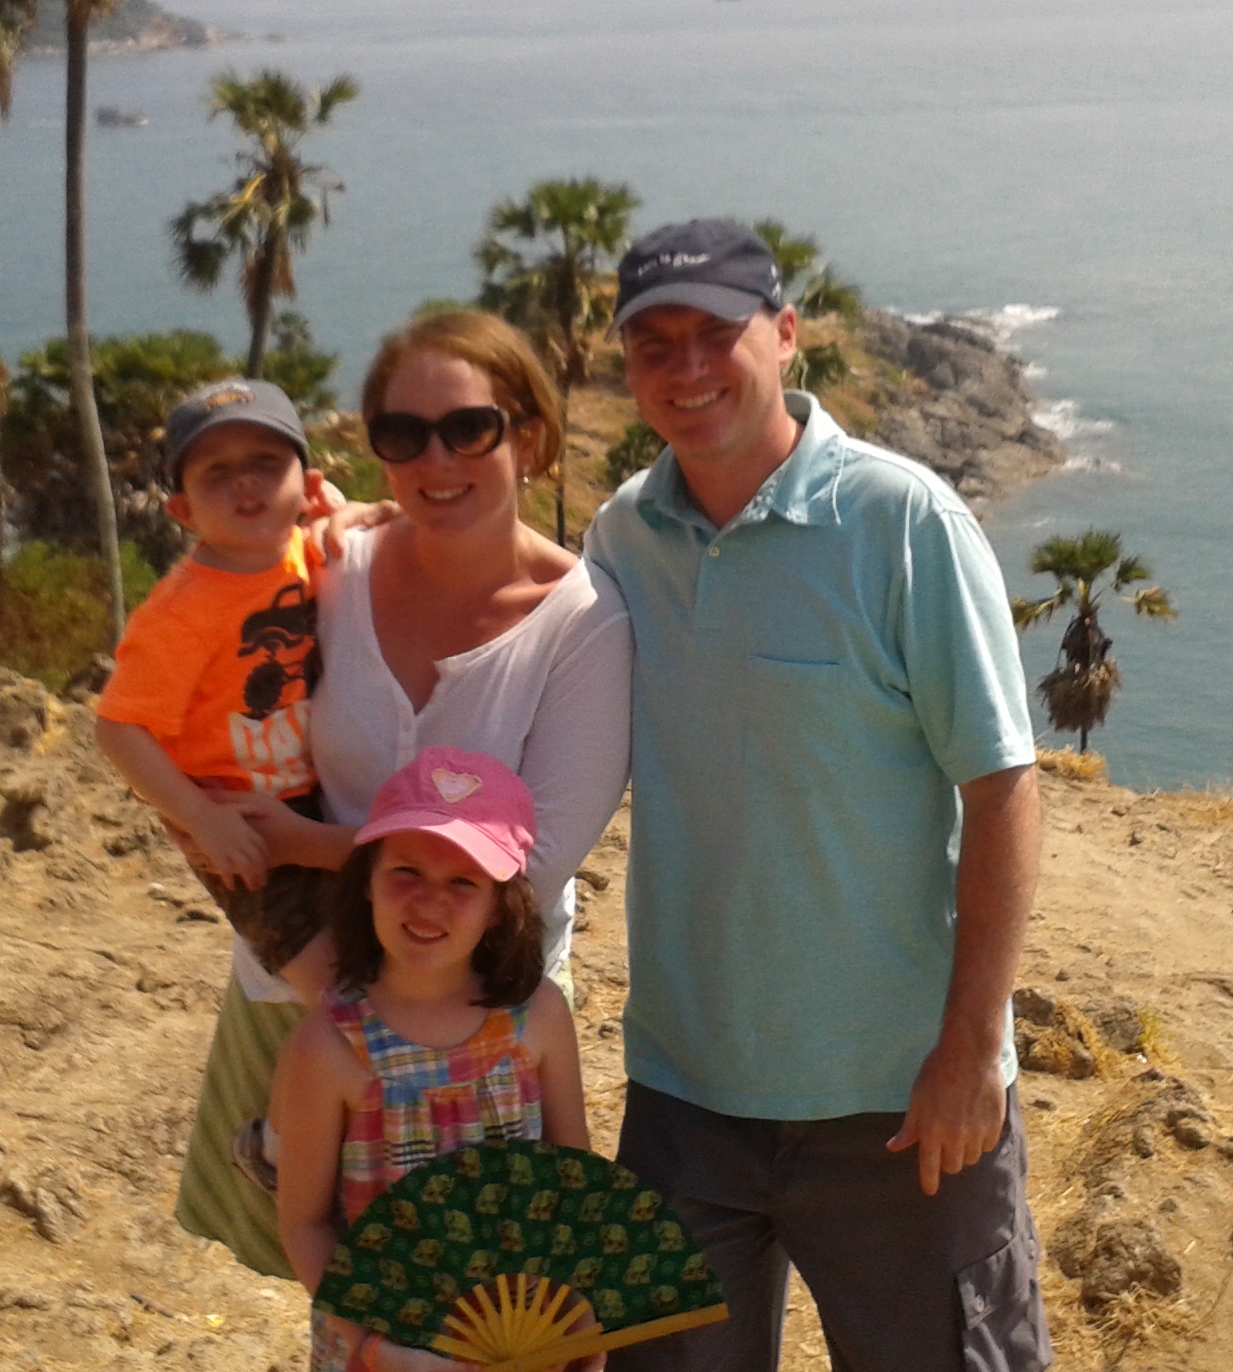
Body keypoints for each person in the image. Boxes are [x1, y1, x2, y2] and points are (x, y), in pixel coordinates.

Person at [583, 220, 1051, 1371]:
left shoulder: (903, 523)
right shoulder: (623, 537)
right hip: (686, 1096)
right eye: (654, 345)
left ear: (785, 334)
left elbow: (1002, 786)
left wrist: (968, 1050)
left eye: (715, 334)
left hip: (900, 1103)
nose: (686, 368)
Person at [173, 310, 633, 1280]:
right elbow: (208, 694)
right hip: (303, 986)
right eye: (403, 433)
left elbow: (530, 864)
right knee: (340, 1280)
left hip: (480, 1013)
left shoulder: (581, 624)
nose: (437, 459)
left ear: (529, 437)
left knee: (484, 1293)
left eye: (468, 428)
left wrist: (303, 846)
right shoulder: (326, 569)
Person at [274, 747, 592, 1372]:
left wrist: (580, 1310)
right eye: (407, 872)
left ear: (500, 905)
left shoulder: (539, 1017)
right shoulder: (328, 1046)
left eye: (463, 882)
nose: (429, 901)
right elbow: (305, 1226)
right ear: (367, 880)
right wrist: (374, 1347)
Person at [96, 377, 339, 992]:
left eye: (266, 462)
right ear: (183, 512)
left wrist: (347, 513)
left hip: (323, 795)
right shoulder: (182, 611)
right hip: (238, 823)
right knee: (330, 986)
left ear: (309, 486)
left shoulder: (306, 553)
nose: (245, 482)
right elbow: (118, 727)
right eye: (216, 472)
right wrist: (201, 818)